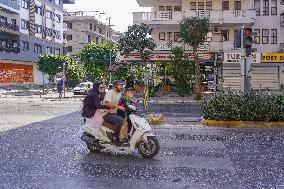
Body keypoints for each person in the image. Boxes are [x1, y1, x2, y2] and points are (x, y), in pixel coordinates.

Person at [103, 80, 126, 146]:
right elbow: (107, 103)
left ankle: (124, 136)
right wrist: (118, 107)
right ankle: (115, 138)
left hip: (114, 113)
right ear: (115, 86)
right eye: (120, 85)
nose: (122, 87)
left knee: (127, 118)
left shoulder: (119, 94)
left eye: (122, 85)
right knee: (120, 120)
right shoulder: (110, 93)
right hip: (107, 114)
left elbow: (122, 102)